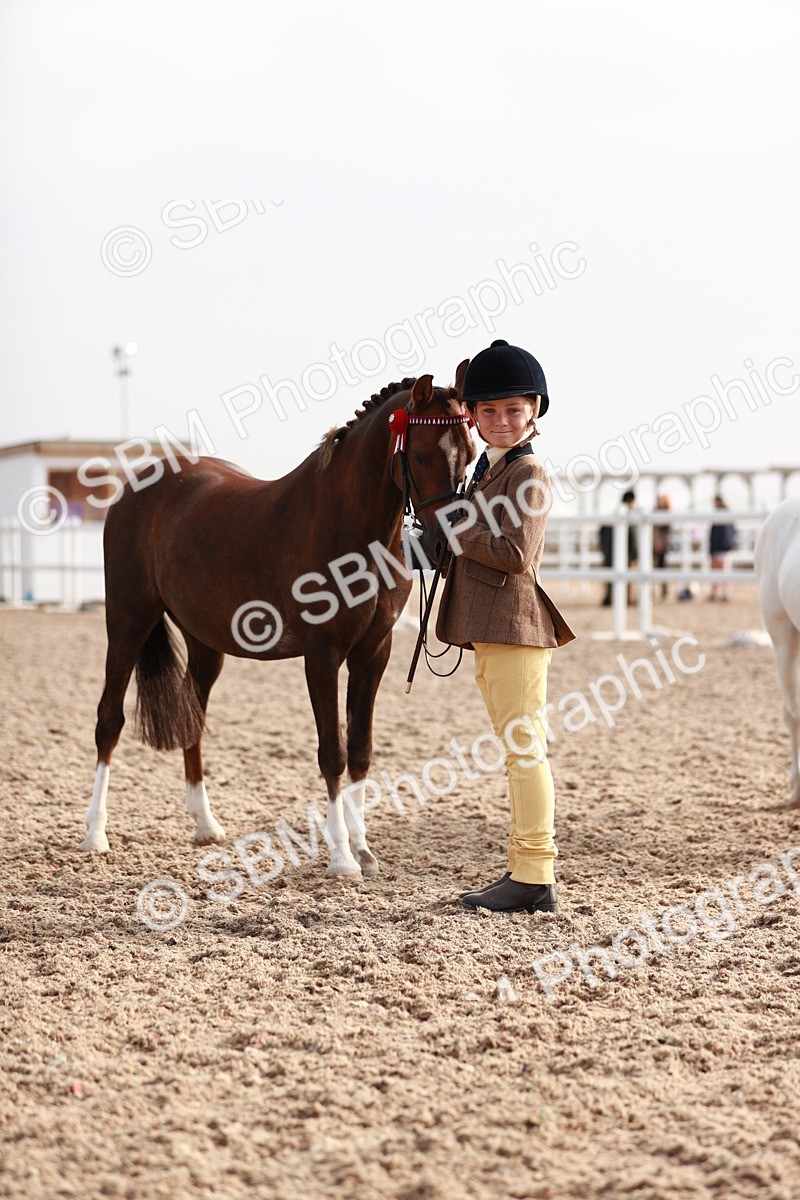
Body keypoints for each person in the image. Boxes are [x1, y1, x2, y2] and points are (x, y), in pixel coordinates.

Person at [435, 339, 575, 915]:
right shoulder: (485, 469)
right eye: (488, 412)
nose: (500, 421)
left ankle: (534, 873)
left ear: (534, 411)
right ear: (471, 416)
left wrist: (453, 523)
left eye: (513, 410)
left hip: (515, 625)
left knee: (525, 750)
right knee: (517, 749)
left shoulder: (530, 472)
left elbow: (517, 554)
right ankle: (525, 868)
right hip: (490, 626)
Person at [599, 489, 638, 606]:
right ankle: (625, 599)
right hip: (624, 554)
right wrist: (634, 556)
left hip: (609, 554)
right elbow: (633, 540)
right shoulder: (628, 518)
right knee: (626, 578)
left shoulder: (612, 516)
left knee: (611, 579)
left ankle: (610, 598)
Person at [709, 494, 737, 601]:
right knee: (718, 571)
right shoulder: (722, 515)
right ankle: (716, 592)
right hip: (719, 548)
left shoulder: (724, 515)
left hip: (722, 548)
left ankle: (724, 593)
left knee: (723, 571)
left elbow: (727, 534)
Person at [653, 492, 672, 601]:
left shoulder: (666, 512)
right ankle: (653, 592)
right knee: (653, 569)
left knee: (663, 569)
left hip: (662, 546)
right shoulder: (656, 511)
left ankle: (664, 592)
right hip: (654, 545)